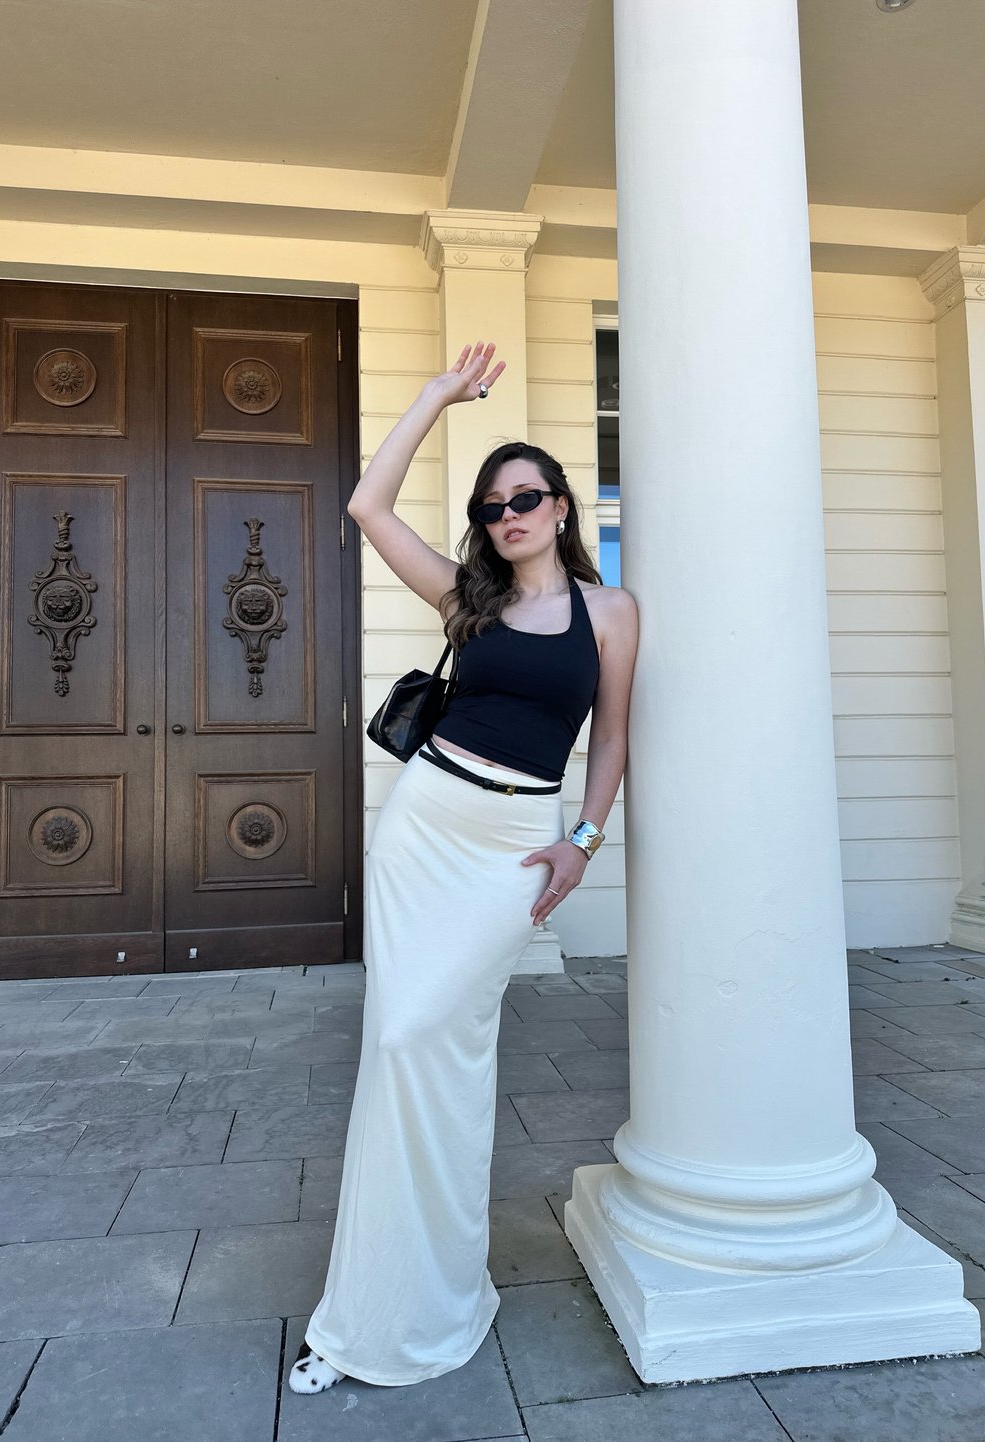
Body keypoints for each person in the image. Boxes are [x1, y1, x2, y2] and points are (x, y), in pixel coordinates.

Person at [288, 341, 638, 1395]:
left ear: (563, 507)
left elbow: (612, 740)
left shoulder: (610, 612)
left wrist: (582, 841)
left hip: (511, 847)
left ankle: (432, 1292)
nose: (508, 515)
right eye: (493, 506)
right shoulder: (465, 599)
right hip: (425, 824)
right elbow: (366, 504)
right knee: (402, 1042)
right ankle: (374, 1311)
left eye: (526, 498)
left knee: (441, 1044)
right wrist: (437, 393)